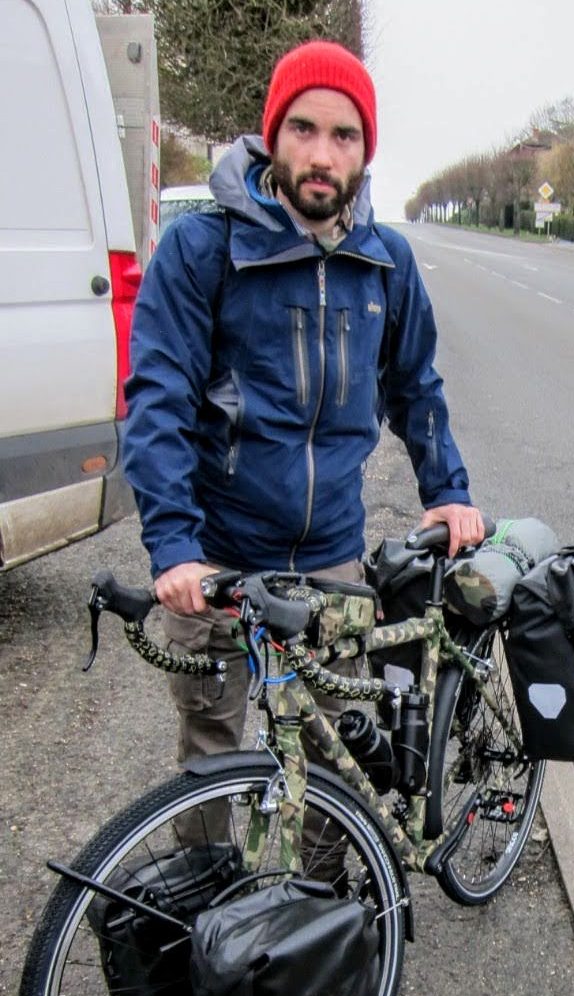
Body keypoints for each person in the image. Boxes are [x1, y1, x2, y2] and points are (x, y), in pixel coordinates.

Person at [123, 40, 485, 771]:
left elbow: (417, 387)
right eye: (304, 129)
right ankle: (210, 883)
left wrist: (447, 492)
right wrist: (174, 547)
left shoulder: (387, 262)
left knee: (334, 764)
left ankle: (326, 890)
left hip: (332, 566)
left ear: (364, 151)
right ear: (272, 135)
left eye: (343, 135)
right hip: (219, 564)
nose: (322, 154)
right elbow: (156, 404)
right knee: (211, 758)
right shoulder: (203, 250)